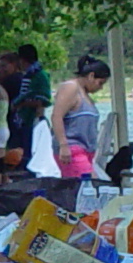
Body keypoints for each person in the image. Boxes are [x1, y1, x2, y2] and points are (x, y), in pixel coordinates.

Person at [49, 54, 111, 197]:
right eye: (100, 83)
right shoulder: (71, 88)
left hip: (86, 150)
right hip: (72, 150)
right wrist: (63, 145)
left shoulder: (85, 94)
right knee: (90, 191)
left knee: (83, 191)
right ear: (91, 76)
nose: (100, 88)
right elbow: (56, 116)